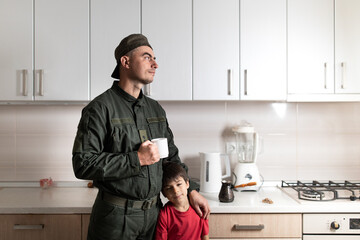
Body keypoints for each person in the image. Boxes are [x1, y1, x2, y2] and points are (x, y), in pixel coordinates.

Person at [72, 33, 210, 240]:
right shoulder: (100, 109)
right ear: (125, 62)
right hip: (115, 218)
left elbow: (170, 159)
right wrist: (136, 159)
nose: (155, 64)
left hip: (154, 216)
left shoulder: (155, 109)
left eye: (154, 59)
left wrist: (192, 191)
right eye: (147, 57)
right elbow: (83, 164)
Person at [156, 162, 209, 240]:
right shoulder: (164, 215)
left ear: (187, 184)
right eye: (169, 188)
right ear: (164, 193)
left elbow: (205, 235)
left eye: (179, 184)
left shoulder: (199, 209)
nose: (175, 191)